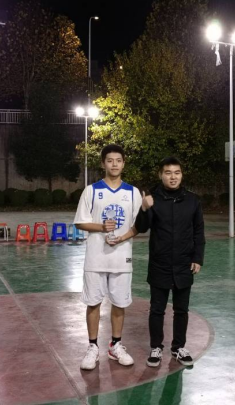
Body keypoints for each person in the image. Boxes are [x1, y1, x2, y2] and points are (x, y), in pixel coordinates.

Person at [74, 144, 142, 370]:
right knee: (93, 302)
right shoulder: (91, 191)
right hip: (96, 257)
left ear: (124, 163)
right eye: (110, 160)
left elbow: (139, 225)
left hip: (122, 258)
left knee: (119, 303)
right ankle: (92, 347)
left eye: (118, 160)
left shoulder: (132, 193)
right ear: (103, 163)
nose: (114, 164)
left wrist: (122, 238)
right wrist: (102, 227)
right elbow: (80, 222)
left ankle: (115, 345)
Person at [134, 156, 205, 367]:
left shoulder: (192, 200)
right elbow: (142, 228)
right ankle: (156, 347)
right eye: (168, 173)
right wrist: (144, 208)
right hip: (160, 263)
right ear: (160, 175)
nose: (173, 177)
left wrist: (197, 257)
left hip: (184, 263)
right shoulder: (152, 199)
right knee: (157, 309)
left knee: (181, 310)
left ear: (181, 175)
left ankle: (178, 347)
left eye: (177, 173)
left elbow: (198, 231)